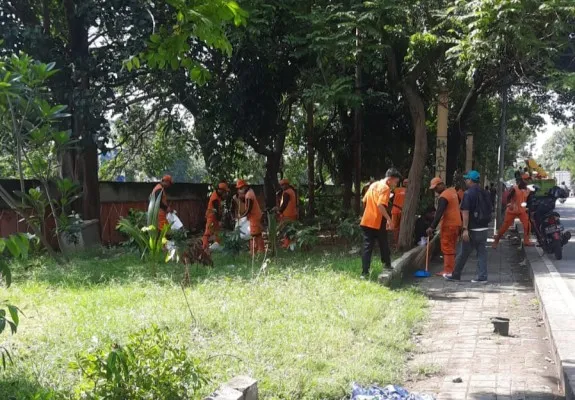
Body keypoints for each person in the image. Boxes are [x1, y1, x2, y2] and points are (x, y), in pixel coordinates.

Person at [445, 170, 491, 283]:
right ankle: (482, 277)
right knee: (482, 253)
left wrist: (465, 229)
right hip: (484, 228)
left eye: (467, 179)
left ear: (470, 180)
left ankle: (455, 275)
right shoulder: (485, 192)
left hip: (472, 229)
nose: (465, 181)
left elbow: (465, 212)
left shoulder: (468, 193)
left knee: (464, 252)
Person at [359, 168, 401, 277]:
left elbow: (364, 201)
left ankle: (364, 272)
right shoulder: (385, 188)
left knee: (367, 247)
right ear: (390, 179)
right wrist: (388, 219)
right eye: (395, 182)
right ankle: (387, 264)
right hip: (378, 221)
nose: (395, 185)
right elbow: (380, 205)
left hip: (366, 220)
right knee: (383, 243)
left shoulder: (373, 185)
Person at [426, 177, 462, 276]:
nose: (435, 191)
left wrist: (432, 227)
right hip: (457, 224)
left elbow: (439, 213)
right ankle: (452, 269)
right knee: (452, 247)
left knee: (447, 247)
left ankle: (448, 271)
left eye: (436, 188)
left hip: (449, 225)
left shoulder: (444, 196)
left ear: (441, 184)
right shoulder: (452, 191)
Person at [492, 177, 533, 248]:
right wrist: (510, 204)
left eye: (528, 180)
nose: (527, 182)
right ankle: (496, 240)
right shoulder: (514, 189)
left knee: (528, 225)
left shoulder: (526, 189)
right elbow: (508, 197)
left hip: (521, 211)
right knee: (504, 227)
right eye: (526, 180)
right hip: (512, 211)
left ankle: (526, 241)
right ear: (521, 181)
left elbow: (526, 199)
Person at [237, 180, 265, 255]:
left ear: (245, 187)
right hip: (256, 215)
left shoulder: (249, 195)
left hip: (254, 216)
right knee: (258, 234)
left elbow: (248, 209)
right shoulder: (250, 192)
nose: (240, 190)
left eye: (241, 188)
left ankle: (254, 252)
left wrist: (241, 217)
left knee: (254, 235)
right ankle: (261, 250)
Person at [202, 182, 230, 249]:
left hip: (214, 216)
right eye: (224, 192)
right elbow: (216, 210)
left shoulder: (218, 195)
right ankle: (204, 246)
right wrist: (219, 221)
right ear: (221, 190)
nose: (225, 193)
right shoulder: (215, 198)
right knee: (208, 232)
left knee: (217, 231)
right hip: (211, 216)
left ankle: (217, 245)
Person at [391, 178, 408, 245]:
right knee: (394, 228)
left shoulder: (410, 191)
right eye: (404, 182)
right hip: (395, 210)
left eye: (407, 182)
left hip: (403, 211)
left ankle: (400, 242)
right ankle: (396, 242)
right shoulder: (397, 189)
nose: (405, 183)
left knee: (402, 227)